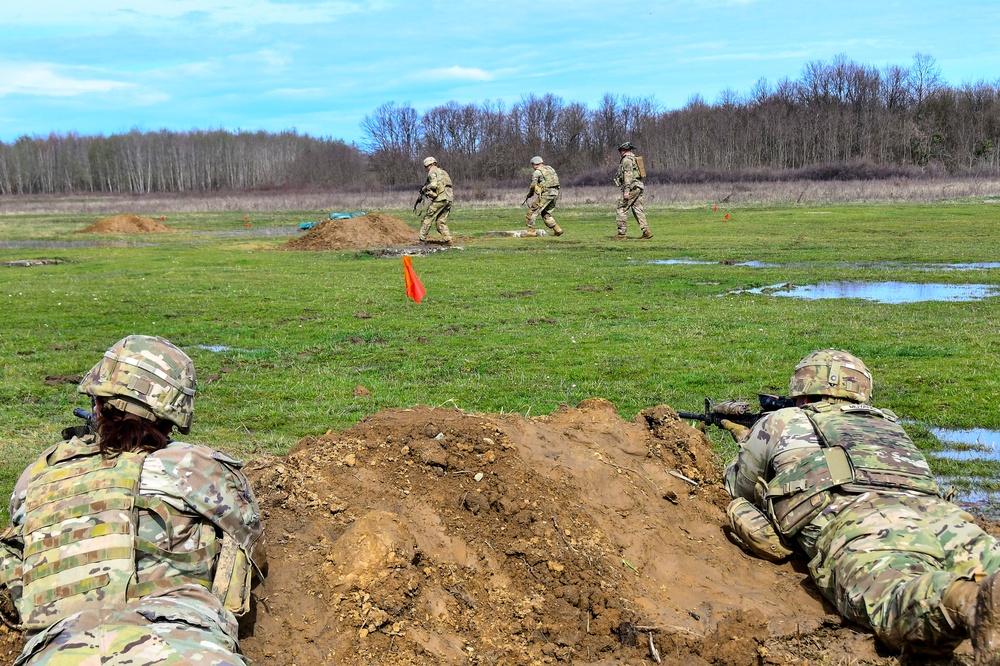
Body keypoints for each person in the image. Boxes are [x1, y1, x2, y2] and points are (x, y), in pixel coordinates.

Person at [0, 335, 266, 665]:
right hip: (185, 646)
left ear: (98, 405)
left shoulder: (39, 475)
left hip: (57, 651)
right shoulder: (197, 468)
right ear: (173, 415)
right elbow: (251, 541)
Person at [722, 349, 1000, 663]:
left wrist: (747, 440)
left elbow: (737, 487)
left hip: (863, 520)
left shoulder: (782, 419)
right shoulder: (889, 424)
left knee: (894, 599)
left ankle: (972, 602)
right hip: (944, 517)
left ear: (801, 390)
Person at [613, 141, 652, 240]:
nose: (620, 152)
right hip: (638, 186)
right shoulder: (634, 159)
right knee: (638, 209)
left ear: (624, 150)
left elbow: (628, 175)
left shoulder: (627, 160)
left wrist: (626, 191)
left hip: (632, 187)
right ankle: (646, 231)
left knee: (621, 208)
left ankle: (621, 234)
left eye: (620, 150)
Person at [417, 156, 454, 245]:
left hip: (440, 199)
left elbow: (433, 185)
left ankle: (422, 240)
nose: (426, 169)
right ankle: (448, 240)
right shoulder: (443, 172)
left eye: (426, 167)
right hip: (449, 199)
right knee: (440, 222)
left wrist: (426, 188)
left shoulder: (432, 172)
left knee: (428, 218)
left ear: (428, 165)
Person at [523, 156, 563, 237]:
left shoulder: (537, 172)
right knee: (545, 213)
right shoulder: (550, 169)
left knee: (531, 213)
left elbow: (533, 185)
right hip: (555, 194)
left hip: (546, 194)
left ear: (534, 164)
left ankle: (531, 232)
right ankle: (557, 229)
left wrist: (529, 194)